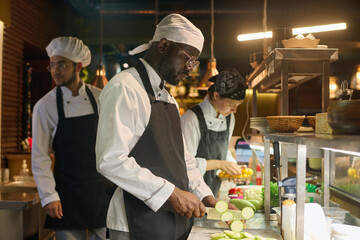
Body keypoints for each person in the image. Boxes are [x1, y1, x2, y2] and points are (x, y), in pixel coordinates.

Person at [95, 14, 231, 240]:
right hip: (134, 222)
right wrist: (172, 193)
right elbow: (110, 160)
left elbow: (182, 159)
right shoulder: (125, 88)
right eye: (188, 58)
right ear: (164, 45)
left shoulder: (168, 99)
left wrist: (208, 199)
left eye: (195, 62)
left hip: (167, 222)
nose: (190, 68)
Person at [32, 36, 113, 240]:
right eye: (51, 65)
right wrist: (48, 196)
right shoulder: (45, 106)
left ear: (77, 66)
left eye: (61, 64)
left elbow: (114, 143)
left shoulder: (100, 98)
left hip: (100, 193)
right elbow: (40, 156)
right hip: (66, 196)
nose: (55, 71)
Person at [180, 69, 247, 196]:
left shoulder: (229, 117)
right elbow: (185, 164)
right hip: (190, 192)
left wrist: (231, 168)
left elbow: (223, 150)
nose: (234, 110)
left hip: (214, 189)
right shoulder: (191, 118)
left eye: (238, 105)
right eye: (231, 104)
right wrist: (219, 164)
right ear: (216, 95)